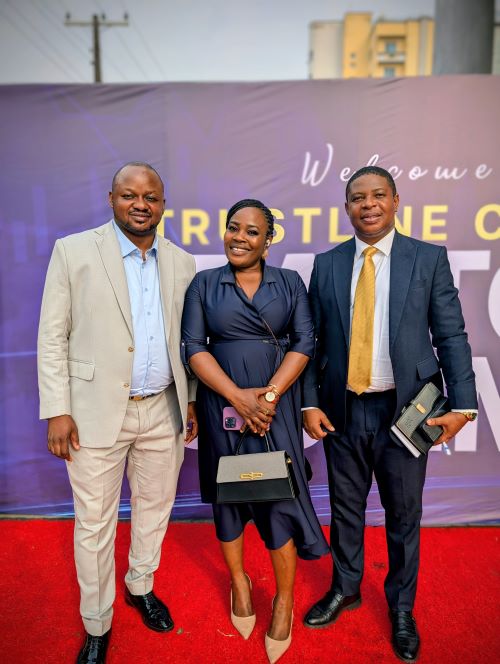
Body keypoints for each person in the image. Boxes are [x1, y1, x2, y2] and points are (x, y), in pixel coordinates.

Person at [302, 166, 477, 662]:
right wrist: (310, 401)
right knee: (345, 508)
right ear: (347, 208)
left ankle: (402, 608)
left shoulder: (428, 258)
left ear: (396, 201)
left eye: (378, 195)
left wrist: (463, 405)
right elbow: (312, 342)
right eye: (358, 198)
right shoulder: (328, 264)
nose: (369, 204)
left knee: (404, 514)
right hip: (343, 408)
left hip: (407, 412)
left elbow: (451, 335)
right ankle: (346, 588)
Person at [37, 162, 198, 664]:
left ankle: (140, 585)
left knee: (154, 509)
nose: (140, 204)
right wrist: (57, 409)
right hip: (92, 415)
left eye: (151, 196)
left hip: (163, 409)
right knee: (94, 523)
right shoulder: (73, 251)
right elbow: (52, 335)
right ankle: (97, 622)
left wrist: (190, 399)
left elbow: (189, 340)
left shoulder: (182, 262)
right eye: (130, 195)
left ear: (163, 204)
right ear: (112, 199)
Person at [181, 199, 329, 663]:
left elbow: (305, 341)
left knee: (279, 497)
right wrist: (237, 398)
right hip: (221, 406)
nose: (239, 237)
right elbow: (193, 347)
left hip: (276, 407)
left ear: (268, 240)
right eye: (233, 227)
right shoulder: (205, 283)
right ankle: (239, 583)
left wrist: (268, 397)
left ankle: (284, 600)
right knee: (229, 496)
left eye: (251, 231)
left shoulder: (289, 282)